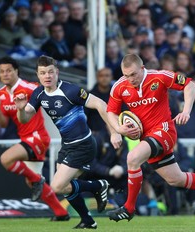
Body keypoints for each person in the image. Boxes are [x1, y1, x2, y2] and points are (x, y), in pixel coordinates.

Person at [105, 54, 195, 222]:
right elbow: (110, 111)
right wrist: (117, 129)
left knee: (132, 158)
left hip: (165, 131)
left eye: (133, 74)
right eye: (126, 75)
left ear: (142, 68)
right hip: (146, 138)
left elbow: (189, 84)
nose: (130, 79)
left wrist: (186, 111)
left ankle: (129, 208)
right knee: (176, 179)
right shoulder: (119, 87)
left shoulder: (159, 77)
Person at [13, 55, 122, 229]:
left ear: (57, 72)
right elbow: (25, 118)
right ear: (38, 75)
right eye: (43, 73)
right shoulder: (38, 93)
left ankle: (97, 186)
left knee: (57, 187)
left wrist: (114, 132)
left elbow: (101, 104)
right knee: (65, 187)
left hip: (83, 144)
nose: (47, 76)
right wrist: (20, 110)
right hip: (67, 145)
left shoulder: (71, 91)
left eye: (50, 72)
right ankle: (88, 220)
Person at [0, 56, 69, 221]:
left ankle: (37, 180)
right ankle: (61, 213)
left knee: (6, 159)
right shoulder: (0, 95)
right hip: (27, 139)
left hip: (38, 137)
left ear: (16, 71)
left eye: (9, 70)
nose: (5, 74)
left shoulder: (28, 87)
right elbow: (3, 123)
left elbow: (45, 91)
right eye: (2, 71)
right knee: (32, 183)